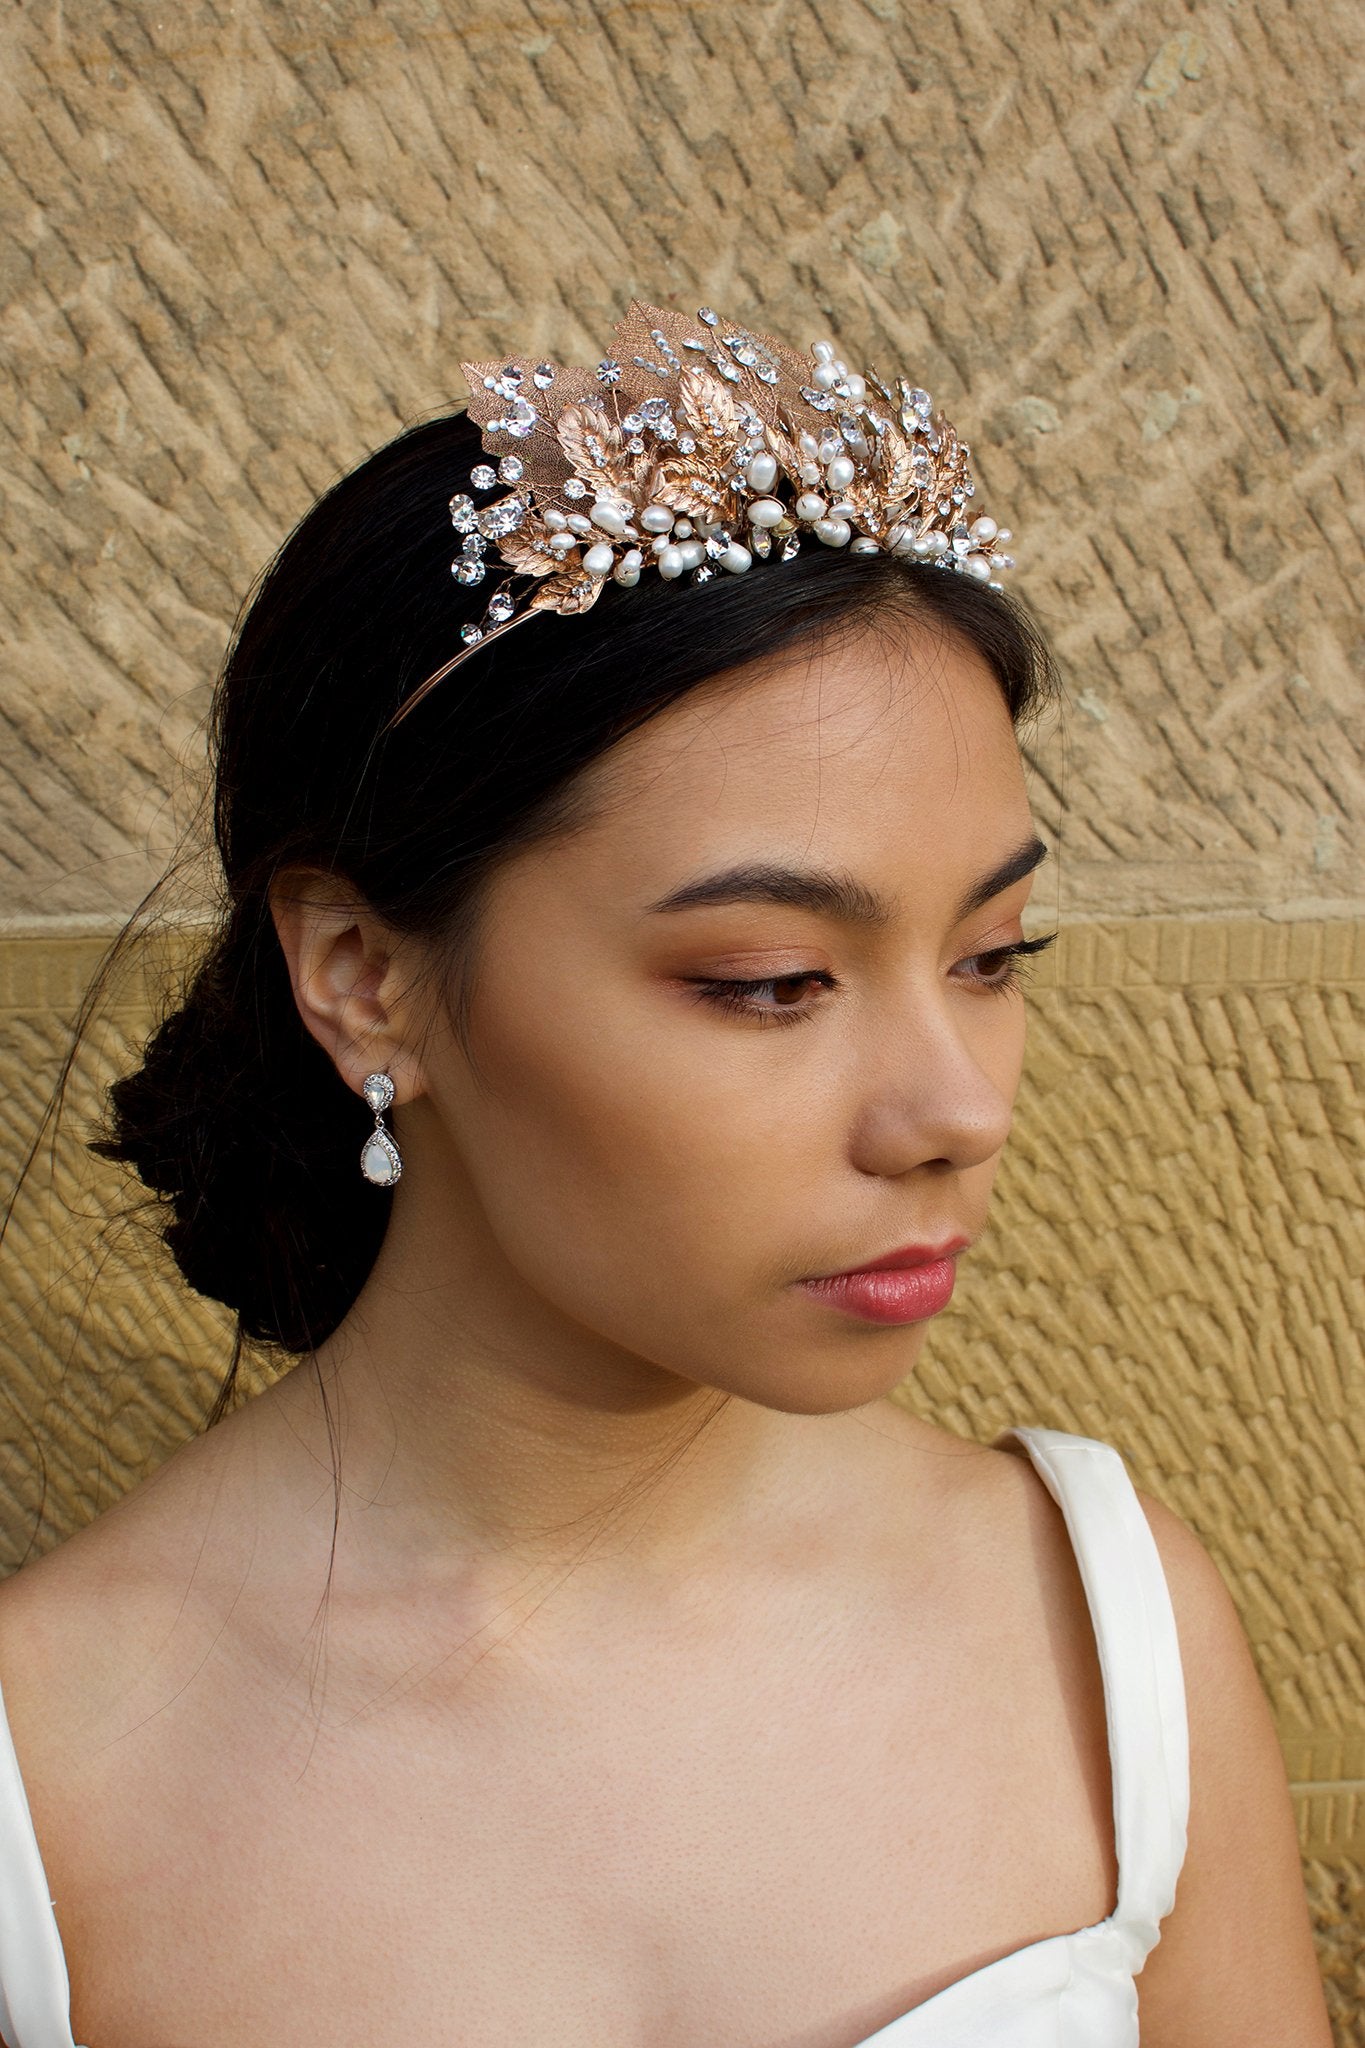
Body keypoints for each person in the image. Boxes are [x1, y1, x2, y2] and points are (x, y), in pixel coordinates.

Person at [0, 301, 1331, 2045]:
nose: (952, 1110)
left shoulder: (1098, 1629)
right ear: (362, 975)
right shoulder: (49, 1771)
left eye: (992, 955)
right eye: (769, 982)